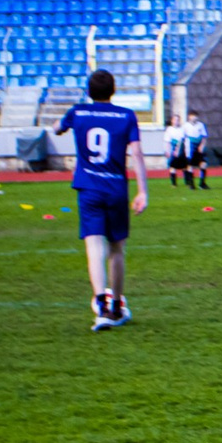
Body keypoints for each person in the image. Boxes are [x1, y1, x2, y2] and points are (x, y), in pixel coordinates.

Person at [56, 69, 148, 331]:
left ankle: (100, 304)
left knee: (94, 245)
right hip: (116, 187)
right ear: (113, 90)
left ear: (88, 90)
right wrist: (143, 191)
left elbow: (58, 128)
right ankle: (117, 306)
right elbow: (138, 154)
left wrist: (60, 127)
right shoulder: (126, 116)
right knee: (117, 248)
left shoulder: (78, 112)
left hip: (89, 187)